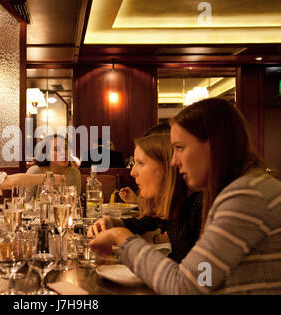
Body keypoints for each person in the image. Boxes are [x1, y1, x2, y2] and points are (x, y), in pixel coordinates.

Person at [89, 98, 281, 294]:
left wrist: (123, 239)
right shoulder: (244, 189)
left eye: (180, 148)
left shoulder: (245, 197)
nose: (174, 161)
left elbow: (186, 286)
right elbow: (204, 277)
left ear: (214, 144)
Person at [88, 133, 203, 263]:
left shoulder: (200, 208)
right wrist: (110, 222)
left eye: (140, 163)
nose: (132, 172)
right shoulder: (171, 202)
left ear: (166, 168)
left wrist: (123, 238)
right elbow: (140, 224)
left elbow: (202, 279)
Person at [26, 134, 81, 198]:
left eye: (66, 148)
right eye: (57, 149)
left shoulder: (74, 173)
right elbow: (25, 202)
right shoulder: (35, 172)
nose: (63, 152)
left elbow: (75, 203)